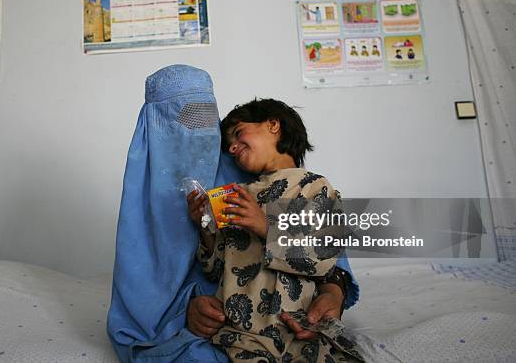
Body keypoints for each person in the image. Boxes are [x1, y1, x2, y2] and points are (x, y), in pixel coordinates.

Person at [107, 65, 359, 362]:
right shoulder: (143, 195)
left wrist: (332, 293)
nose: (195, 132)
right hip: (236, 332)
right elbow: (217, 262)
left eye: (204, 118)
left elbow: (327, 251)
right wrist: (186, 305)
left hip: (289, 326)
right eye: (178, 120)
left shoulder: (246, 178)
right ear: (149, 129)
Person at [187, 99, 362, 362]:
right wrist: (206, 228)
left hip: (299, 331)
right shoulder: (237, 197)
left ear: (273, 125)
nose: (233, 148)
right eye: (229, 147)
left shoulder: (315, 188)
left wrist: (265, 226)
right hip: (240, 338)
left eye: (238, 133)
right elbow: (215, 269)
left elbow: (324, 258)